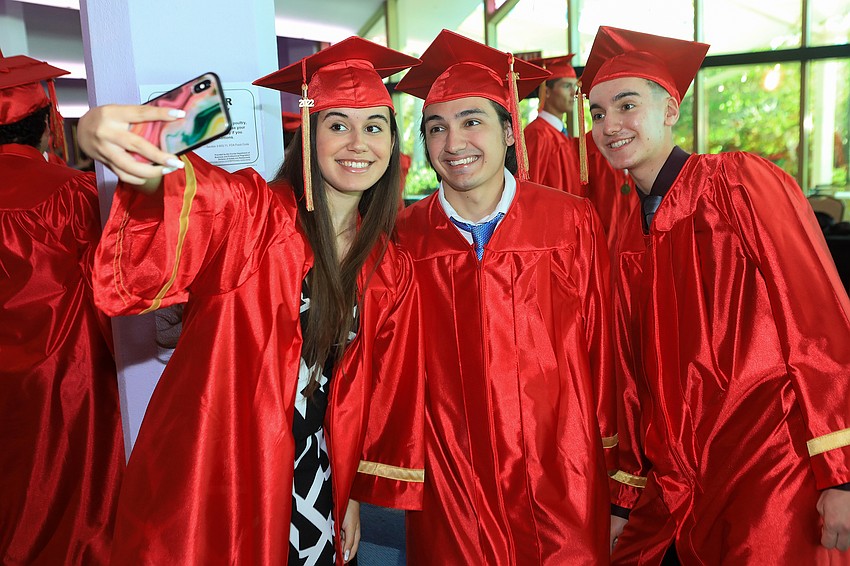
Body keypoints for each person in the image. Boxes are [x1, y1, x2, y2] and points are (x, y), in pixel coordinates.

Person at [76, 37, 425, 566]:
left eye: (374, 127)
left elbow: (377, 390)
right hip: (227, 461)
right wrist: (110, 139)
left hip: (317, 470)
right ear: (308, 136)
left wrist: (351, 493)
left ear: (392, 142)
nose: (359, 143)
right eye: (337, 125)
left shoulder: (389, 265)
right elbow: (191, 193)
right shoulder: (256, 217)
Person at [582, 26, 850, 564]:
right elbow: (630, 374)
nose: (609, 125)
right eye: (597, 112)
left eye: (627, 105)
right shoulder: (624, 232)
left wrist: (841, 473)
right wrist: (624, 495)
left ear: (671, 110)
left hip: (772, 464)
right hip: (681, 476)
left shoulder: (738, 182)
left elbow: (818, 318)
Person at [394, 29, 618, 564]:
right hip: (453, 481)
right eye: (436, 127)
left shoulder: (570, 221)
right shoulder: (405, 237)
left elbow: (605, 351)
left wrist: (620, 478)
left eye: (472, 121)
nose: (454, 143)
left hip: (562, 472)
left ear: (510, 131)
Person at [0, 52, 124, 565]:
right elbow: (114, 287)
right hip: (69, 382)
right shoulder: (76, 193)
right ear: (48, 123)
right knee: (71, 505)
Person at [524, 55, 637, 257]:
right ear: (546, 91)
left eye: (574, 86)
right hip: (552, 236)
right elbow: (531, 190)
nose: (573, 93)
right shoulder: (538, 135)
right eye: (566, 86)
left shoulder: (564, 137)